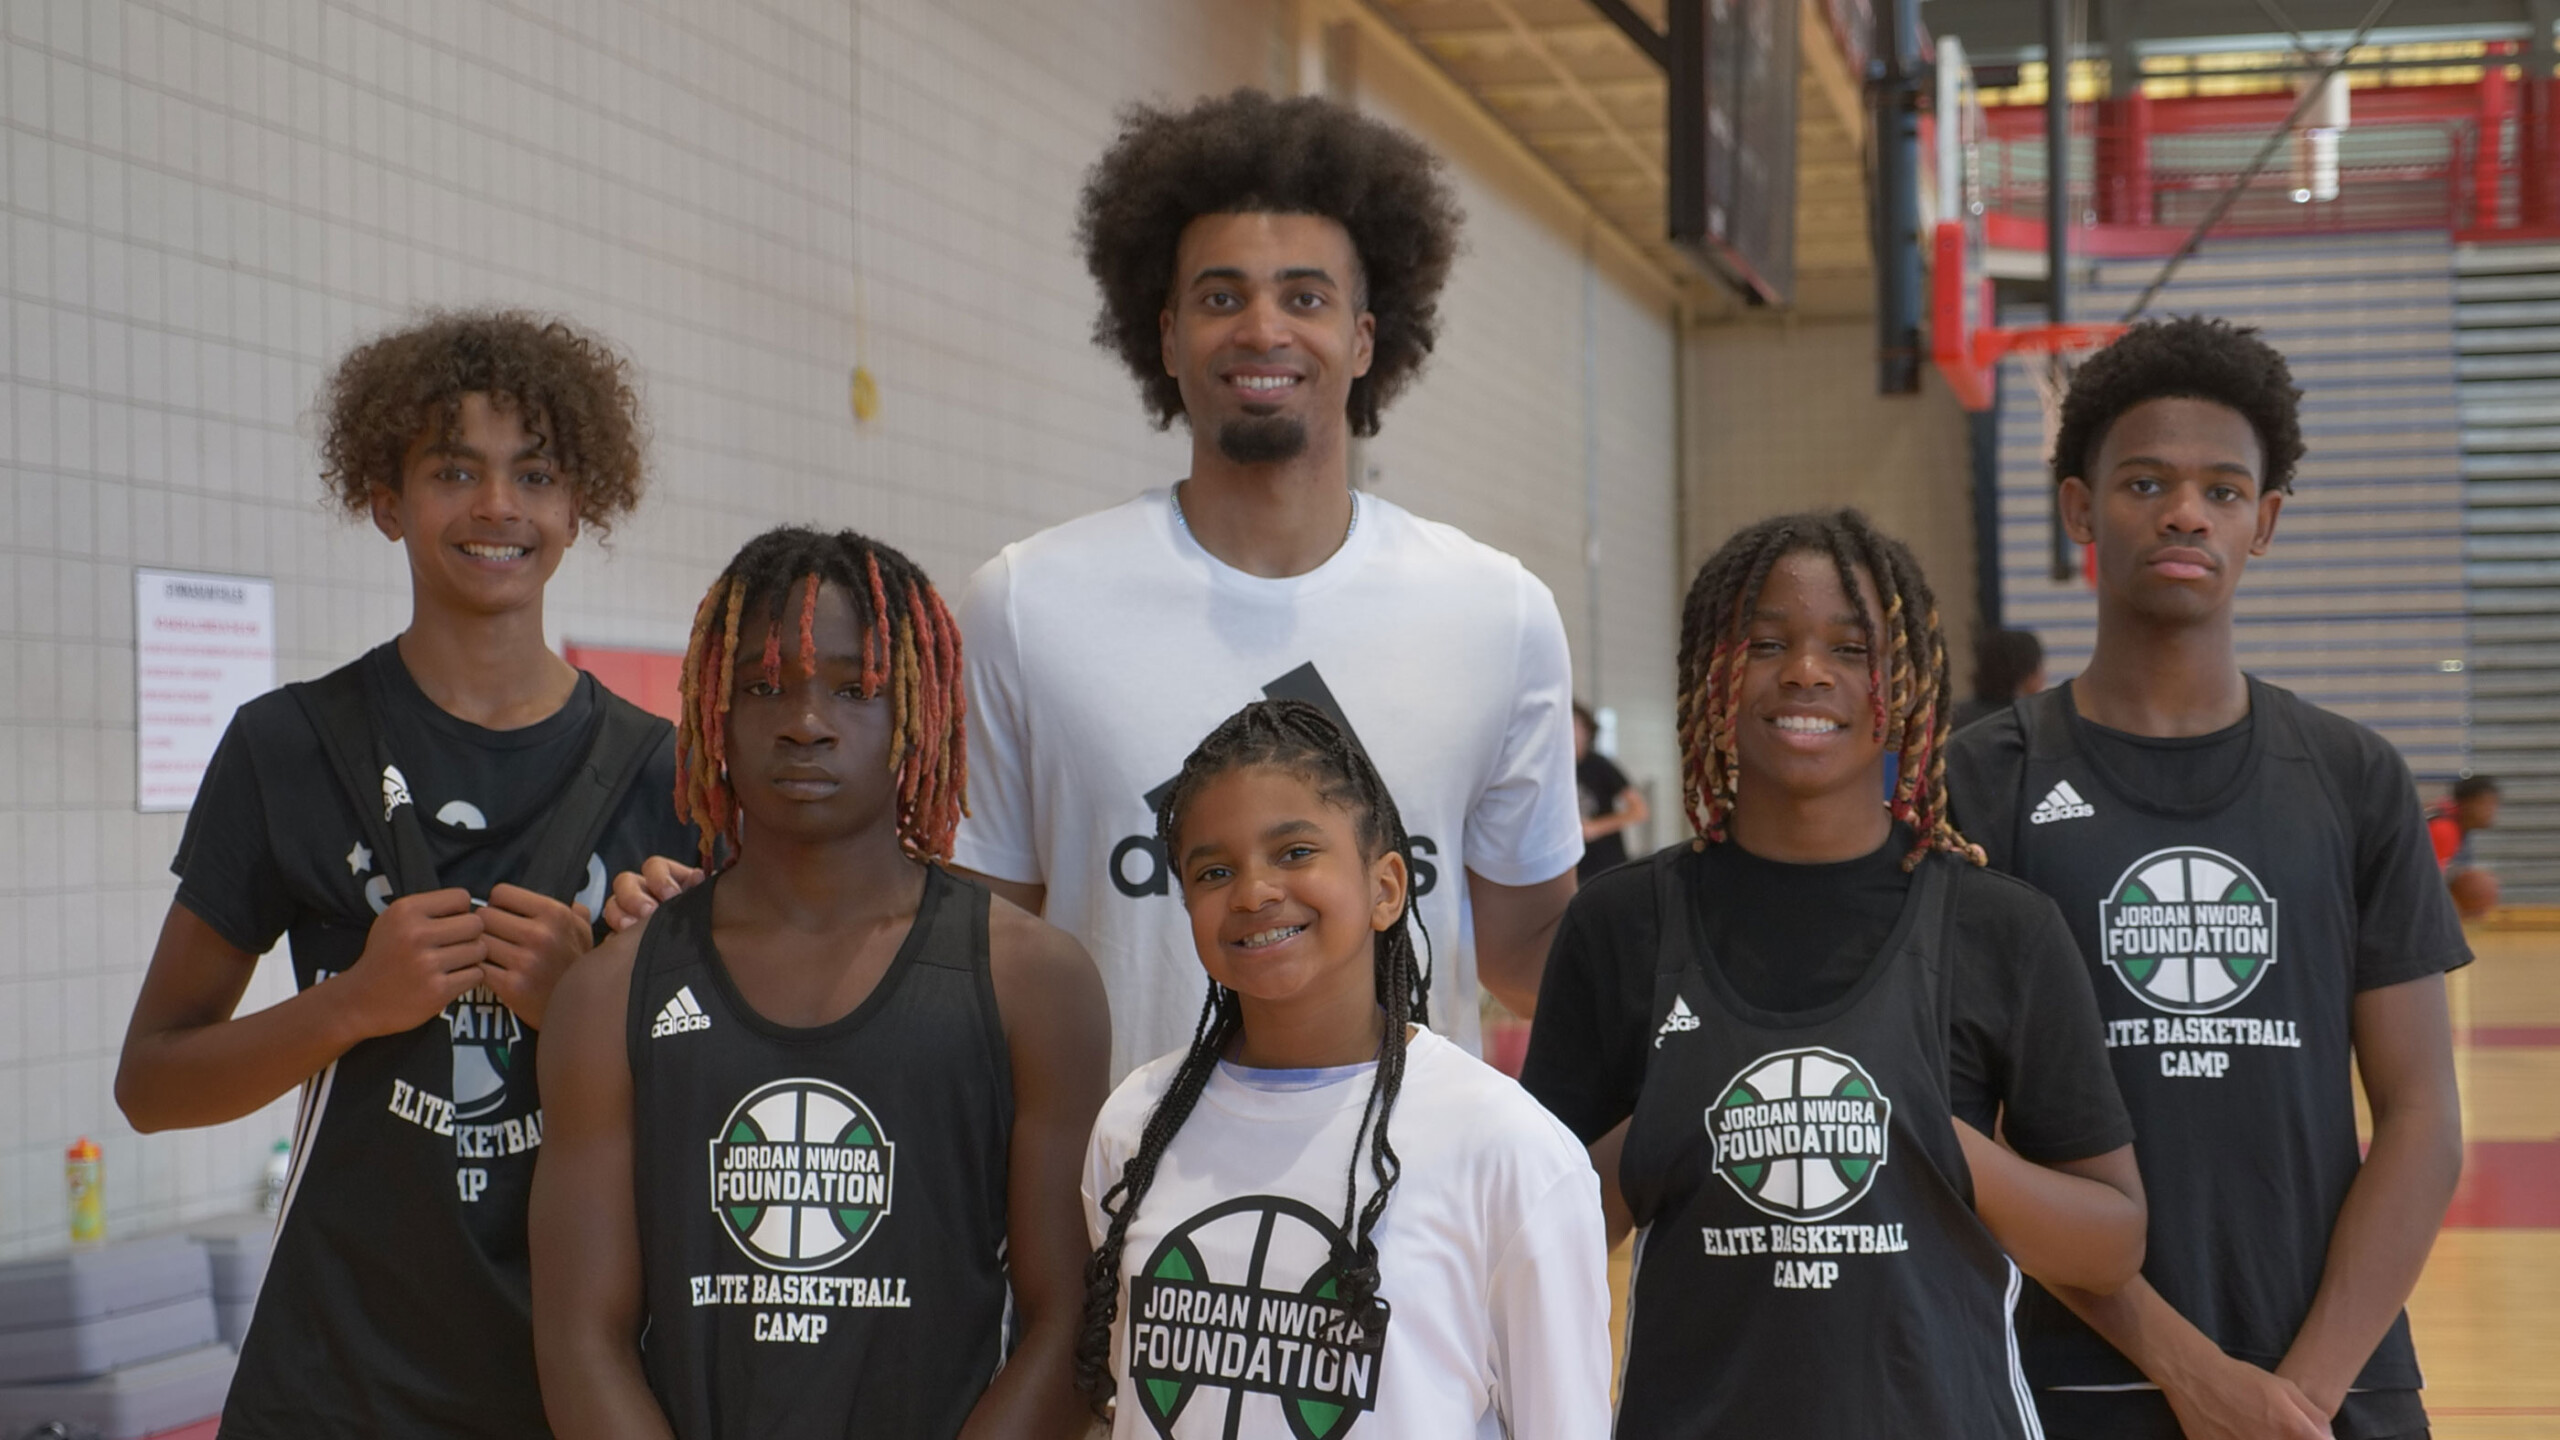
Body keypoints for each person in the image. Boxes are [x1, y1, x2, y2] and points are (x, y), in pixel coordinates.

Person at [114, 311, 694, 1437]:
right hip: (336, 1386)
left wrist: (585, 1007)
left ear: (580, 507)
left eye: (534, 474)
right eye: (453, 471)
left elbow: (721, 1111)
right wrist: (352, 1005)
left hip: (584, 1389)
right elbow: (154, 1084)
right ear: (387, 498)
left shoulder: (667, 774)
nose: (496, 506)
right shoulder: (285, 747)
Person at [1945, 316, 2469, 1440]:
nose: (2186, 511)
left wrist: (2302, 1396)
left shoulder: (2352, 777)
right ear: (2079, 508)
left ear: (2263, 523)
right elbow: (1956, 1139)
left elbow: (2422, 1116)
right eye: (2145, 481)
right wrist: (2191, 1373)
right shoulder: (1981, 782)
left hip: (2335, 1390)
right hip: (2066, 1382)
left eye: (2223, 491)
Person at [1523, 509, 2146, 1438]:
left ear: (1902, 685)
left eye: (1851, 649)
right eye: (1766, 642)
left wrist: (1933, 1136)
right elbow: (1534, 1243)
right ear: (1713, 679)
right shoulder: (1622, 924)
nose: (1806, 670)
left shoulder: (2001, 927)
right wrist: (1664, 1129)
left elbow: (2110, 1241)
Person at [530, 527, 1111, 1439]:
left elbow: (1070, 1319)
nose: (806, 720)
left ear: (919, 714)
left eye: (856, 689)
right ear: (712, 713)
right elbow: (579, 1336)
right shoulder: (609, 993)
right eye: (764, 687)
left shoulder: (1034, 981)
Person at [1078, 700, 1610, 1438]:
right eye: (1214, 870)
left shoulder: (1508, 1148)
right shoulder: (1136, 1121)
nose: (1255, 891)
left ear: (1386, 888)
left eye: (1295, 852)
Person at [1573, 701, 1649, 880]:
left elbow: (1640, 810)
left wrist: (1596, 828)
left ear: (1586, 730)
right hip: (1571, 867)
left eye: (1574, 725)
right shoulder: (1553, 769)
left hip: (1606, 865)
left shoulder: (1599, 765)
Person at [2427, 775, 2500, 919]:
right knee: (2478, 883)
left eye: (2494, 804)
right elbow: (2425, 883)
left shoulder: (2451, 821)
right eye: (2484, 803)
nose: (2491, 811)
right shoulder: (2443, 829)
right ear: (2465, 804)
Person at [1954, 628, 2047, 731]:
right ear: (2028, 673)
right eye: (2040, 666)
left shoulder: (1954, 716)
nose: (2044, 676)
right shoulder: (2031, 724)